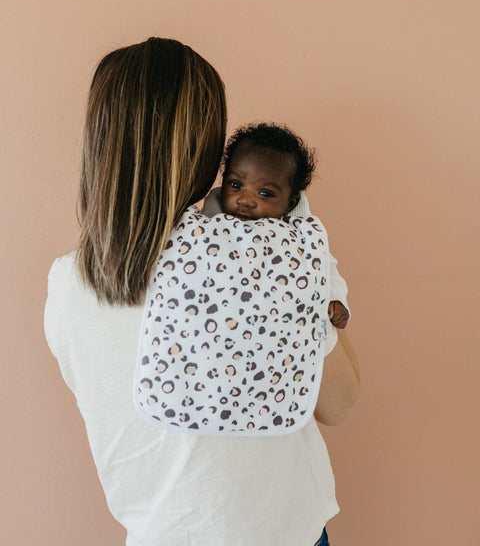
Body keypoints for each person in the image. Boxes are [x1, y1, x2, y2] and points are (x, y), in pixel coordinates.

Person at [44, 37, 359, 546]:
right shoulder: (258, 257)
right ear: (204, 146)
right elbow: (339, 403)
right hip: (280, 531)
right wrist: (297, 261)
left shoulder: (67, 285)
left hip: (162, 534)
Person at [204, 122, 350, 329]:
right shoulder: (211, 219)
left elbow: (324, 265)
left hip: (279, 326)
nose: (245, 200)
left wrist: (336, 299)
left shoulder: (298, 235)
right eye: (236, 185)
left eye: (265, 193)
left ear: (290, 204)